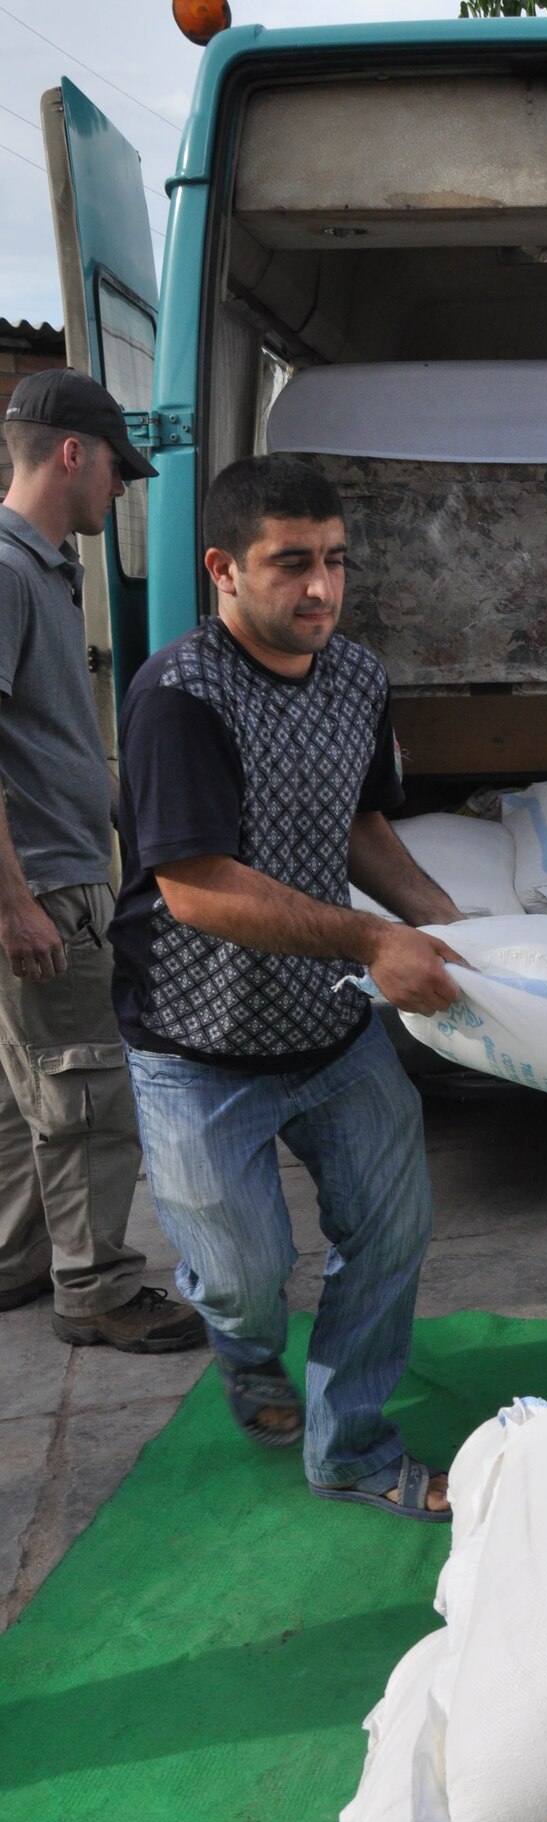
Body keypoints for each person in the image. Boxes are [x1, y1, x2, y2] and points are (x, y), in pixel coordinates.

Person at [110, 452, 469, 1514]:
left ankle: (352, 1446)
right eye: (290, 564)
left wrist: (449, 924)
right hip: (194, 1049)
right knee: (243, 1277)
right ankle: (246, 1350)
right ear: (222, 568)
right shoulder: (177, 695)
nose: (320, 588)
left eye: (335, 561)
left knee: (392, 1232)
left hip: (334, 1033)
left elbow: (360, 828)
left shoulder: (355, 676)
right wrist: (371, 943)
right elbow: (195, 885)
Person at [0, 368, 205, 1352]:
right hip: (39, 881)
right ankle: (97, 1287)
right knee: (85, 1086)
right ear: (70, 454)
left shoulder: (37, 568)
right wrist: (17, 901)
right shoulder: (4, 570)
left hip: (44, 872)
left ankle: (18, 1262)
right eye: (115, 470)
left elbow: (41, 735)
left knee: (27, 1085)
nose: (119, 490)